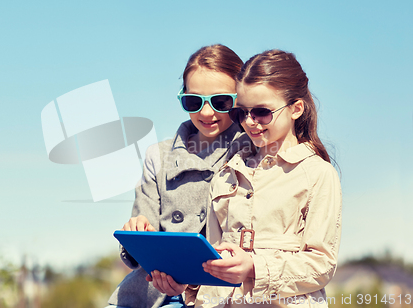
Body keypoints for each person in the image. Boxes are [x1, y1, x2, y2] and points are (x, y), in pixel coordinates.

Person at [190, 49, 342, 307]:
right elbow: (215, 256)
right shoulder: (226, 174)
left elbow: (322, 264)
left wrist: (254, 267)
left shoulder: (318, 174)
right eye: (241, 113)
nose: (250, 122)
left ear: (296, 109)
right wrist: (187, 281)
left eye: (262, 112)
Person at [107, 44, 252, 308]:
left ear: (240, 98)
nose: (206, 113)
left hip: (221, 297)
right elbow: (142, 245)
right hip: (152, 294)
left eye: (220, 102)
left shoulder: (255, 151)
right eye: (193, 102)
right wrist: (137, 234)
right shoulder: (158, 156)